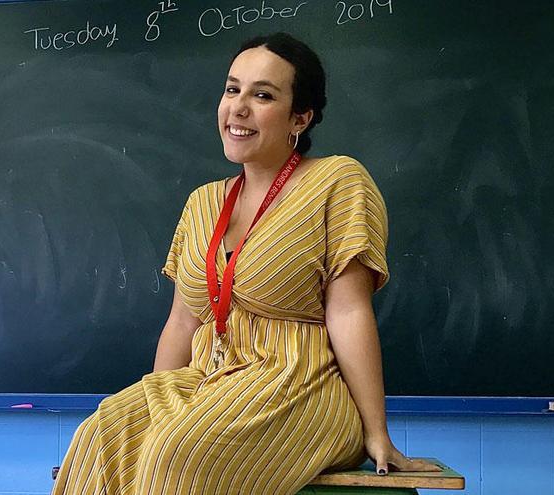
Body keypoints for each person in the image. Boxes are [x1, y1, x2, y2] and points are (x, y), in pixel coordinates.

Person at [52, 32, 439, 495]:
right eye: (232, 89)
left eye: (262, 95)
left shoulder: (338, 180)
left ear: (301, 117)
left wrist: (377, 432)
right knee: (100, 436)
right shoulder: (203, 202)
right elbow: (182, 321)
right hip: (208, 381)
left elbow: (350, 311)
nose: (238, 107)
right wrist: (151, 405)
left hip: (301, 384)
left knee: (177, 454)